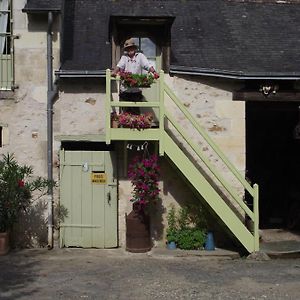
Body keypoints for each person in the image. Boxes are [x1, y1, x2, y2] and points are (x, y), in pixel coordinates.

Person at [112, 38, 159, 103]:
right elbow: (119, 66)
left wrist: (154, 72)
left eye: (131, 48)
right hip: (125, 90)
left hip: (136, 90)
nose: (130, 50)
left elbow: (147, 65)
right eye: (128, 48)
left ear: (134, 48)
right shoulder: (124, 57)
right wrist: (114, 72)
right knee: (125, 111)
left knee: (136, 111)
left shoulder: (140, 56)